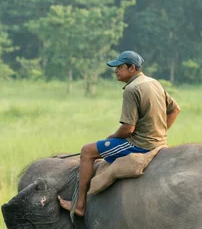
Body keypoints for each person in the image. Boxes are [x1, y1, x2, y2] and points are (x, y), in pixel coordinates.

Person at [58, 50, 180, 216]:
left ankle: (79, 205)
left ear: (131, 68)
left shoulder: (131, 89)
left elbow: (128, 129)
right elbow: (175, 110)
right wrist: (159, 133)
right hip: (159, 142)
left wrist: (112, 136)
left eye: (119, 67)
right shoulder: (154, 82)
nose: (115, 70)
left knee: (87, 151)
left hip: (138, 145)